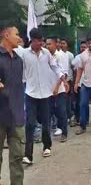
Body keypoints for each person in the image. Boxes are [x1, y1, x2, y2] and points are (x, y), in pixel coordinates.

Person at [23, 28, 68, 165]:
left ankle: (46, 146)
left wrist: (63, 79)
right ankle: (28, 155)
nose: (41, 44)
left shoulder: (46, 53)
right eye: (38, 41)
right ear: (32, 40)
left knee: (45, 123)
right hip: (31, 93)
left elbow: (55, 67)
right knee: (30, 124)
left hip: (45, 94)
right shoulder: (24, 54)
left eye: (42, 41)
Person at [0, 24, 33, 185]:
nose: (20, 38)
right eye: (17, 34)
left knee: (17, 156)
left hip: (17, 114)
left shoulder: (18, 60)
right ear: (6, 35)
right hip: (0, 114)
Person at [46, 37, 69, 142]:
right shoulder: (45, 56)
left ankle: (64, 132)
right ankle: (47, 134)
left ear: (56, 44)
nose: (47, 46)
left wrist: (57, 86)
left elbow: (63, 73)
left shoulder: (61, 56)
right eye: (46, 44)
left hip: (59, 89)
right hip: (47, 89)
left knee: (61, 111)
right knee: (50, 111)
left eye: (50, 44)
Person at [72, 41, 88, 126]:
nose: (83, 49)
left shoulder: (90, 56)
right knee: (78, 103)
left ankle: (86, 120)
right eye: (81, 47)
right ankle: (78, 119)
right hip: (78, 83)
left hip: (87, 83)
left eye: (84, 47)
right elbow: (73, 66)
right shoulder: (77, 57)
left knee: (85, 103)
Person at [60, 39, 75, 126]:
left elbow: (73, 67)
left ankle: (70, 116)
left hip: (68, 81)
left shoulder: (70, 55)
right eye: (61, 43)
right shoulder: (58, 54)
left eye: (63, 43)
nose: (62, 44)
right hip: (60, 80)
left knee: (67, 101)